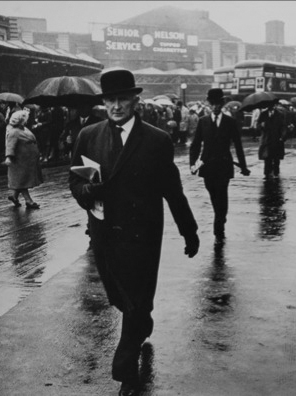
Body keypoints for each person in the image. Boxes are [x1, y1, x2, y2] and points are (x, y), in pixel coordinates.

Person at [69, 68, 199, 395]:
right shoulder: (89, 135)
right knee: (120, 297)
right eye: (110, 100)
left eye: (122, 99)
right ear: (104, 102)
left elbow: (172, 189)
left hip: (142, 234)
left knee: (135, 298)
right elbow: (76, 182)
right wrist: (88, 192)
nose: (116, 106)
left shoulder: (157, 140)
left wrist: (189, 231)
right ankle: (142, 320)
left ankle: (126, 371)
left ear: (135, 100)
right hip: (104, 234)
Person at [189, 88, 250, 240]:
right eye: (213, 104)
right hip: (207, 165)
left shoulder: (230, 122)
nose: (216, 107)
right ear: (209, 104)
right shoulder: (203, 122)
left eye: (218, 104)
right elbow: (196, 144)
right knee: (213, 194)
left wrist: (243, 166)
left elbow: (237, 145)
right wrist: (192, 164)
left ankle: (219, 223)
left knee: (222, 194)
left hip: (224, 165)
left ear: (222, 104)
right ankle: (220, 216)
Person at [4, 110, 43, 209]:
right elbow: (10, 146)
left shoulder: (23, 129)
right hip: (19, 161)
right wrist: (8, 157)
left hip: (27, 161)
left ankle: (14, 196)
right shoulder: (14, 132)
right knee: (22, 181)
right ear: (21, 120)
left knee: (21, 180)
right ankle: (29, 201)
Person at [257, 101, 286, 178]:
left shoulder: (280, 114)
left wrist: (282, 137)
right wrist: (261, 125)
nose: (271, 107)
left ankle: (276, 172)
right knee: (267, 157)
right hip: (267, 139)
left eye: (273, 105)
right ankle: (267, 173)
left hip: (277, 138)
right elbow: (258, 125)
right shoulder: (263, 114)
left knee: (276, 157)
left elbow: (283, 126)